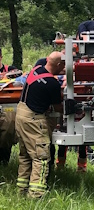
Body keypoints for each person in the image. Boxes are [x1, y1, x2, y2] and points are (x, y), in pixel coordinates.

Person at [15, 52, 64, 199]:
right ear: (58, 65)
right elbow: (58, 107)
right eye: (63, 65)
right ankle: (36, 194)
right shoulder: (53, 84)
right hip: (34, 119)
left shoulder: (36, 70)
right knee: (41, 157)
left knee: (25, 155)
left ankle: (22, 189)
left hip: (21, 114)